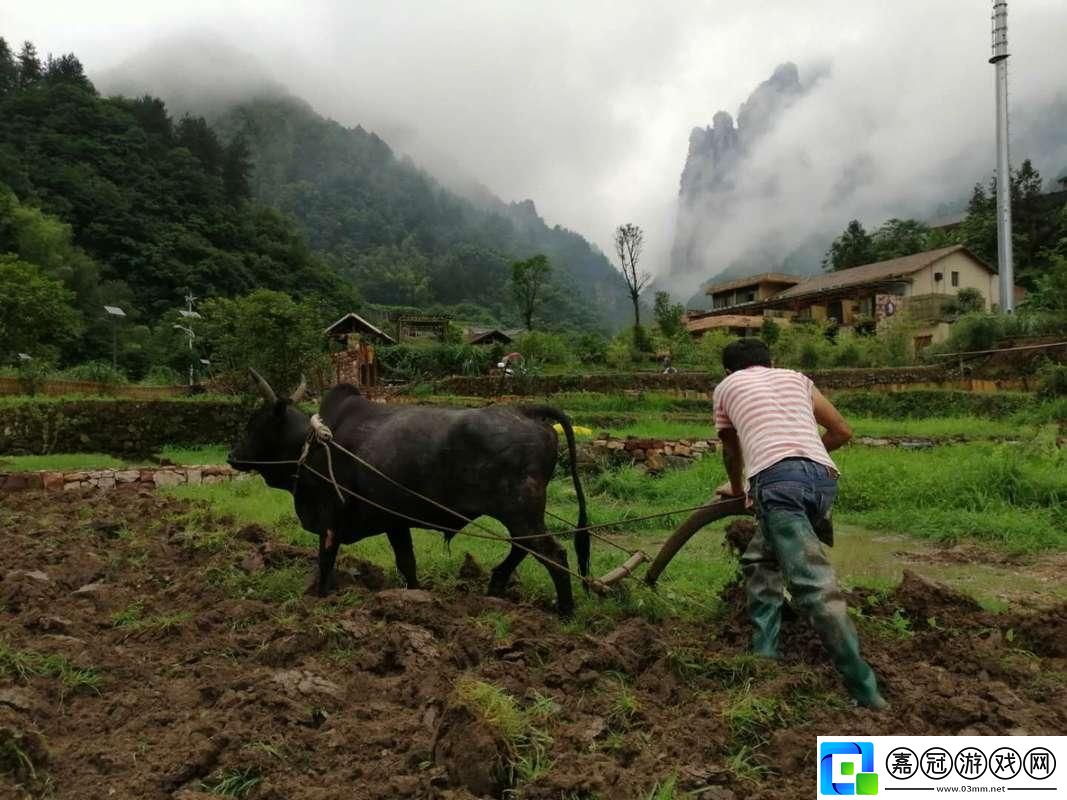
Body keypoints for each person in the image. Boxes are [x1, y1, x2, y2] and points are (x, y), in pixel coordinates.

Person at [712, 338, 887, 709]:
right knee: (761, 559)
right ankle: (765, 652)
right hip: (823, 479)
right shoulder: (796, 378)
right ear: (771, 362)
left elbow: (731, 449)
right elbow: (842, 431)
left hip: (777, 484)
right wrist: (804, 461)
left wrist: (738, 484)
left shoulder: (726, 388)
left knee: (814, 586)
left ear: (728, 371)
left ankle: (866, 690)